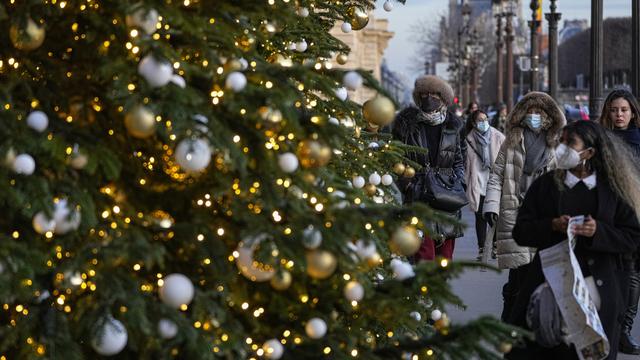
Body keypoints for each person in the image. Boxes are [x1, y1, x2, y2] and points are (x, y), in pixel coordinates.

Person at [507, 120, 640, 359]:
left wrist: (598, 231)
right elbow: (521, 231)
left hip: (598, 291)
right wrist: (551, 225)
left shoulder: (612, 190)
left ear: (589, 152)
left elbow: (632, 237)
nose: (562, 147)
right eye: (561, 141)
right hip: (550, 285)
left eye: (570, 143)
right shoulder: (546, 185)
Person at [482, 91, 566, 320]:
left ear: (548, 114)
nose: (534, 116)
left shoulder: (556, 142)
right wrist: (491, 205)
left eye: (538, 111)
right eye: (530, 111)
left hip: (545, 215)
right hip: (514, 210)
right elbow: (497, 174)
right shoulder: (512, 140)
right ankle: (510, 314)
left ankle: (529, 319)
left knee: (539, 269)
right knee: (519, 271)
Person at [392, 75, 465, 261]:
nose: (429, 98)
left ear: (443, 98)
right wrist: (407, 184)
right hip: (419, 194)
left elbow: (459, 159)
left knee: (445, 258)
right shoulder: (406, 125)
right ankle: (423, 290)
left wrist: (458, 182)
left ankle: (437, 289)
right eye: (424, 94)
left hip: (447, 196)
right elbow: (396, 158)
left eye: (434, 94)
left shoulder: (453, 127)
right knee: (424, 256)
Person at [597, 88, 640, 354]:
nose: (619, 115)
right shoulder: (603, 139)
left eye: (624, 110)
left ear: (633, 112)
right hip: (610, 213)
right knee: (611, 271)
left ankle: (624, 329)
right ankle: (608, 327)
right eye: (614, 110)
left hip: (635, 212)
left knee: (634, 273)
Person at [464, 110, 505, 260]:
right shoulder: (468, 140)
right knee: (480, 216)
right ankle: (482, 249)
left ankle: (494, 245)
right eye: (480, 120)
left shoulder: (498, 136)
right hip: (477, 182)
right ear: (474, 123)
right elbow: (464, 163)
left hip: (494, 182)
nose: (484, 122)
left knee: (492, 215)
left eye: (485, 119)